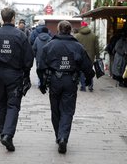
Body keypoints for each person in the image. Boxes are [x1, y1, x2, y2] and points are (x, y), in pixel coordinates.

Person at [0, 8, 34, 152]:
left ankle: (2, 132)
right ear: (13, 18)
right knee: (13, 105)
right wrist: (27, 74)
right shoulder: (20, 35)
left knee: (1, 104)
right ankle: (7, 134)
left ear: (2, 18)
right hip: (15, 73)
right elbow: (28, 56)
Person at [38, 20, 95, 154]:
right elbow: (87, 65)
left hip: (54, 81)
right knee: (67, 111)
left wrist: (42, 82)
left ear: (58, 30)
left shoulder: (50, 45)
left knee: (55, 110)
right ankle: (63, 136)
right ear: (69, 30)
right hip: (70, 80)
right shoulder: (77, 46)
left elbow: (41, 64)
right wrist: (88, 78)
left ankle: (59, 135)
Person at [75, 21, 100, 92]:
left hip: (80, 56)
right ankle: (90, 86)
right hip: (91, 56)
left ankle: (83, 86)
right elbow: (96, 47)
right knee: (90, 71)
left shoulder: (77, 36)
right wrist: (97, 56)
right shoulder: (94, 36)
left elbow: (75, 47)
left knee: (82, 71)